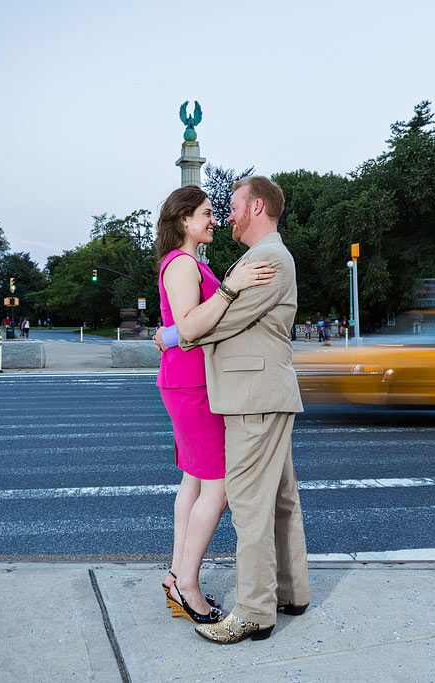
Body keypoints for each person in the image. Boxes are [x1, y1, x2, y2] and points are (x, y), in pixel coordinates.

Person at [171, 175, 310, 644]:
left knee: (250, 506)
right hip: (265, 392)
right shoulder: (259, 257)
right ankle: (291, 591)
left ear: (255, 208)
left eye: (231, 206)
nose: (226, 214)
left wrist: (179, 331)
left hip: (254, 396)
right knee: (280, 500)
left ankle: (254, 611)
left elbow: (218, 321)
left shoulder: (268, 258)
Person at [152, 185, 277, 627]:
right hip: (193, 385)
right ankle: (188, 585)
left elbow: (175, 329)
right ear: (184, 220)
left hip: (186, 381)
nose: (214, 219)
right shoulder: (184, 263)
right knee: (218, 486)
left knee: (193, 483)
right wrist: (231, 287)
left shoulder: (185, 263)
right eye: (206, 213)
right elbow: (188, 327)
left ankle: (174, 577)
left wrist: (168, 333)